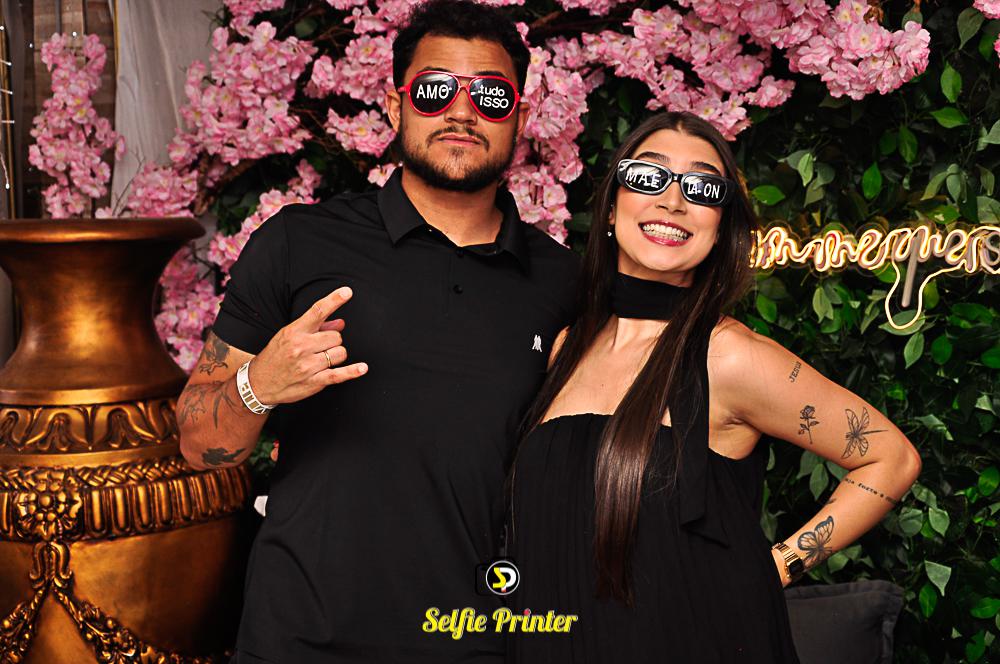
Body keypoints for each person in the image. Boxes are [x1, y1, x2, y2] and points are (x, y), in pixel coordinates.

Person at [176, 1, 579, 661]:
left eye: (490, 94)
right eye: (435, 90)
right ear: (396, 107)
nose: (462, 111)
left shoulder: (562, 282)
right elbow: (198, 445)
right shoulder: (298, 243)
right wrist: (258, 385)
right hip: (301, 641)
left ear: (521, 117)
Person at [502, 111, 922, 663]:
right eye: (648, 176)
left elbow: (891, 457)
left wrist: (776, 566)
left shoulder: (728, 356)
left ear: (720, 227)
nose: (673, 200)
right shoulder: (566, 347)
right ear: (611, 208)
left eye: (701, 188)